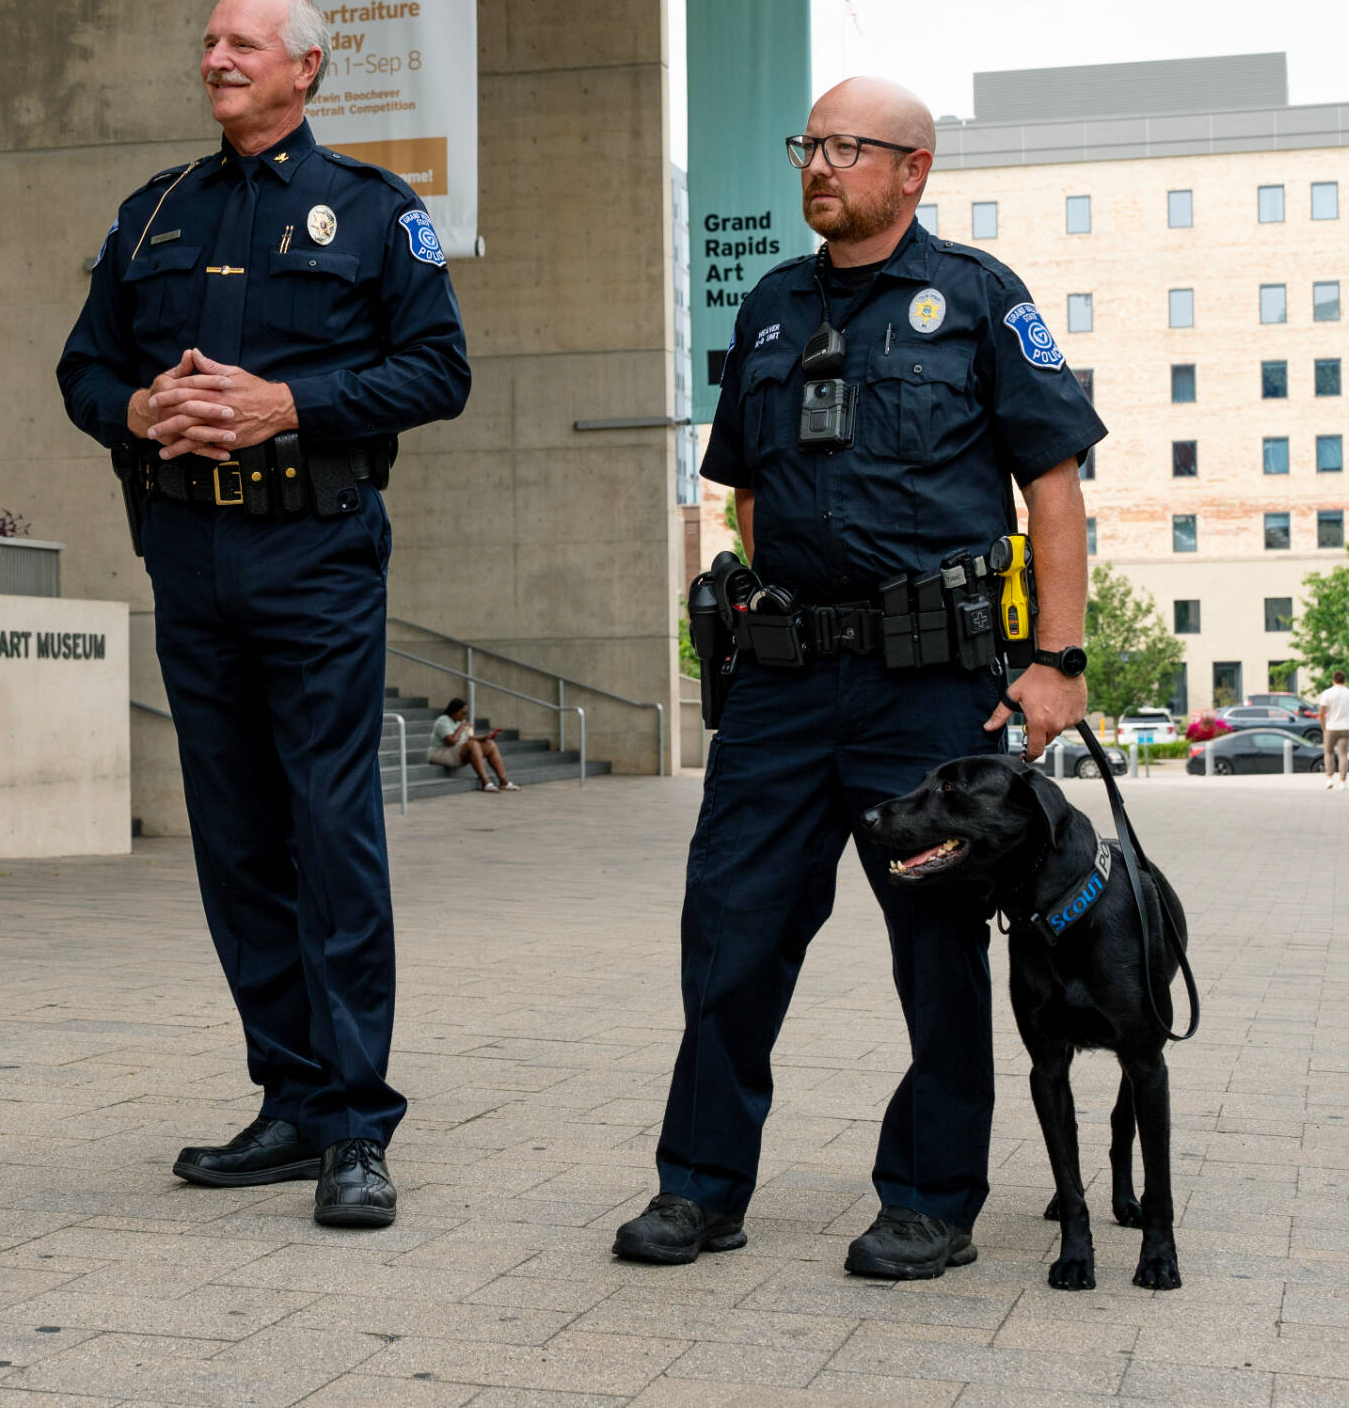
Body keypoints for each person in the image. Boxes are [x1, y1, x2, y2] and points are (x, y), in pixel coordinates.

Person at [613, 78, 1106, 1277]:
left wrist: (1056, 660)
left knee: (936, 949)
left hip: (927, 688)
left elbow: (1050, 486)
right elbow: (746, 483)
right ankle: (699, 1187)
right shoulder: (773, 307)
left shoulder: (979, 302)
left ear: (912, 169)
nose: (818, 165)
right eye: (808, 145)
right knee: (728, 934)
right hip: (781, 690)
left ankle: (931, 1196)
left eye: (846, 147)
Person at [56, 0, 471, 1228]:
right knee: (234, 839)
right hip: (189, 559)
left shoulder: (370, 211)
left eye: (240, 43)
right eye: (207, 43)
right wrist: (131, 410)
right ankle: (287, 1102)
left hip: (317, 557)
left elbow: (438, 369)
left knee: (329, 829)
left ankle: (355, 1124)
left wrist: (289, 403)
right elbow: (82, 365)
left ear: (305, 68)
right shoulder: (154, 213)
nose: (215, 59)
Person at [429, 697, 519, 792]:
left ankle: (503, 781)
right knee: (473, 745)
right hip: (441, 753)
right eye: (463, 713)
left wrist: (486, 737)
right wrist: (462, 726)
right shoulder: (443, 720)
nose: (465, 716)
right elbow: (451, 742)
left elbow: (469, 738)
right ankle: (486, 782)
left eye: (466, 713)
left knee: (490, 744)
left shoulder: (461, 721)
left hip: (457, 751)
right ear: (454, 711)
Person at [1317, 670, 1349, 789]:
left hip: (1331, 727)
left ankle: (1329, 778)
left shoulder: (1327, 693)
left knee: (1329, 753)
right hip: (1346, 727)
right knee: (1343, 754)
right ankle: (1343, 781)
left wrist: (1323, 726)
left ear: (1333, 680)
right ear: (1345, 681)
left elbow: (1321, 712)